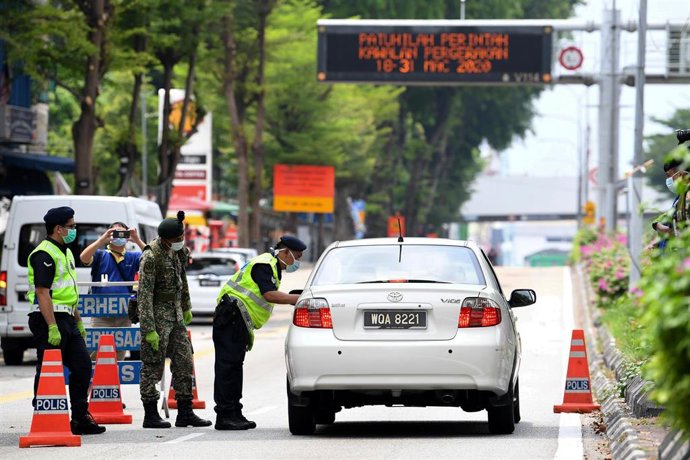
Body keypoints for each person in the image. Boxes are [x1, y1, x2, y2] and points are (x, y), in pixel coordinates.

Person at [212, 235, 306, 430]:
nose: (298, 261)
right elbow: (269, 294)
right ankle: (225, 415)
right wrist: (297, 298)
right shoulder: (264, 264)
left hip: (237, 319)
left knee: (234, 367)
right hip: (231, 316)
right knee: (228, 368)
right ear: (285, 252)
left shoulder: (271, 265)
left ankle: (234, 412)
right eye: (297, 256)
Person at [27, 206, 106, 435]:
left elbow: (70, 292)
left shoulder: (66, 252)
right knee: (48, 370)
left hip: (68, 318)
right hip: (48, 319)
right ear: (59, 229)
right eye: (71, 226)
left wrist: (78, 321)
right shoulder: (44, 253)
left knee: (82, 367)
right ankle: (42, 413)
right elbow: (43, 292)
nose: (74, 229)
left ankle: (80, 418)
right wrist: (52, 326)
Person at [137, 211, 211, 429]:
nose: (182, 240)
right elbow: (144, 295)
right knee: (152, 365)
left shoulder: (176, 253)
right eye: (179, 238)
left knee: (184, 361)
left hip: (176, 314)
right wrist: (148, 328)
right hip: (158, 316)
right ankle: (150, 414)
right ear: (167, 238)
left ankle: (185, 412)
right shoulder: (151, 257)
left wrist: (187, 306)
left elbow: (182, 281)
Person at [79, 222, 146, 361]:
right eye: (115, 233)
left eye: (123, 233)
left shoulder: (133, 257)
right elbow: (83, 258)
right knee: (96, 351)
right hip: (101, 314)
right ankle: (93, 382)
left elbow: (153, 259)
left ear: (127, 236)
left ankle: (113, 382)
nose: (119, 236)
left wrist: (136, 239)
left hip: (124, 313)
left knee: (119, 353)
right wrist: (102, 239)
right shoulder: (100, 255)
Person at [651, 158, 690, 249]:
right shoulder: (681, 196)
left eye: (669, 176)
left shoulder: (687, 196)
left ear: (681, 174)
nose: (668, 180)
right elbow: (672, 220)